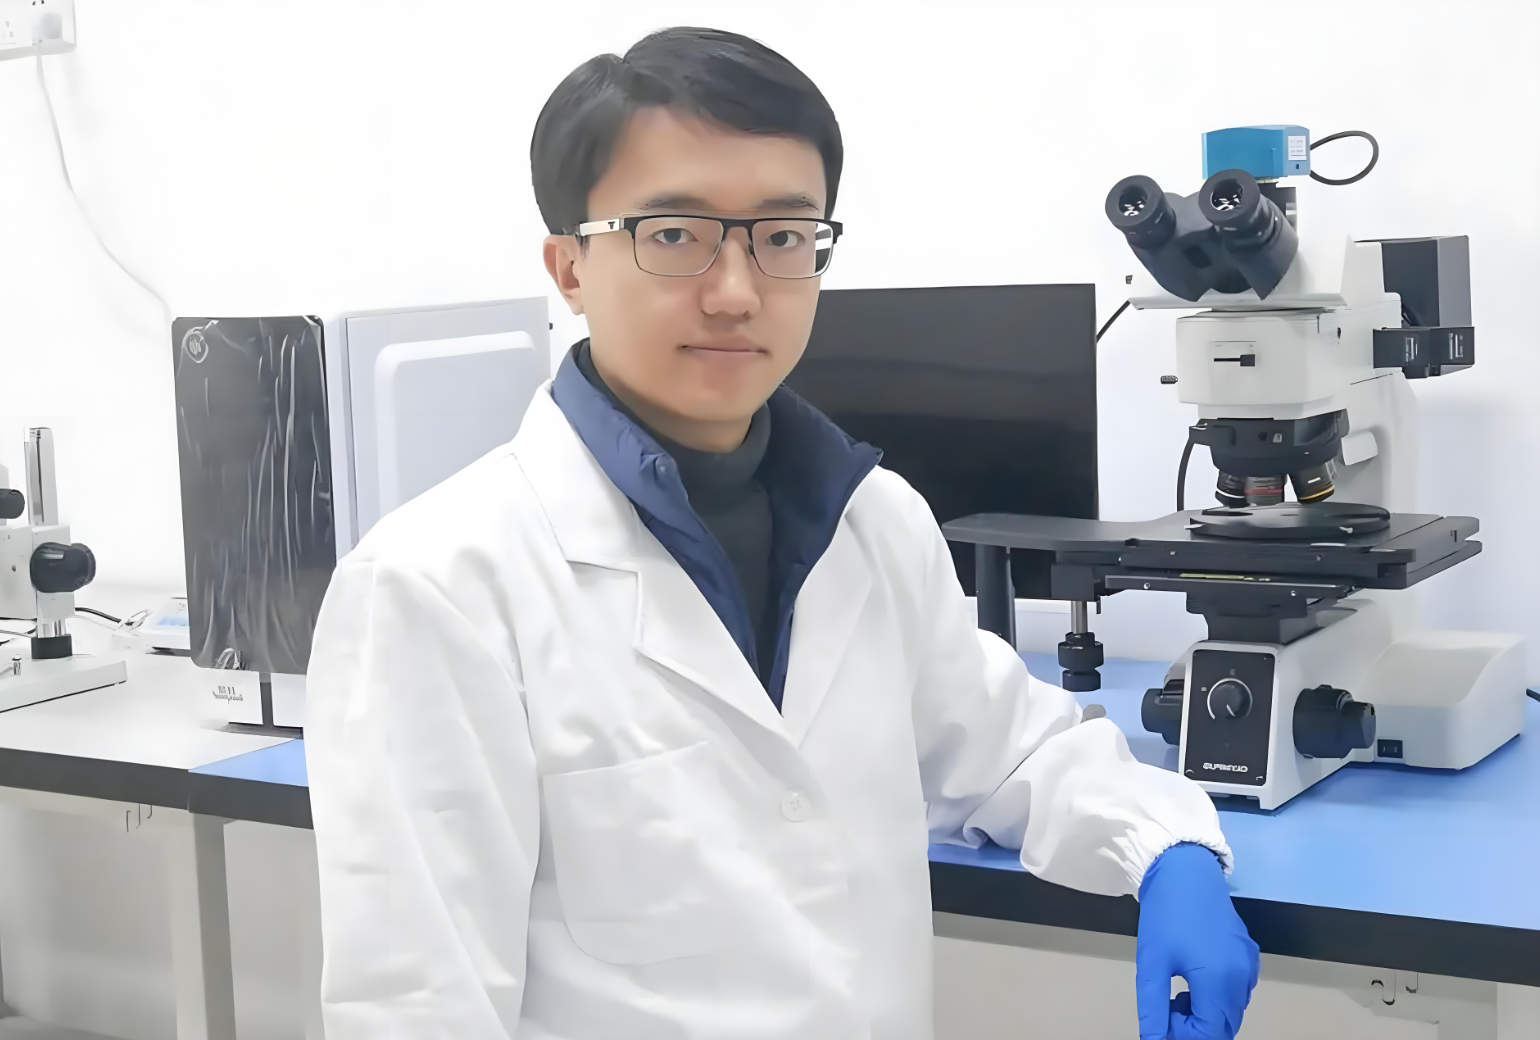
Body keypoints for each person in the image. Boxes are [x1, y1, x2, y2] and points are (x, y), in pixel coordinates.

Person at [305, 26, 1260, 1040]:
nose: (736, 290)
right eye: (675, 234)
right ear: (569, 267)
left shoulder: (872, 521)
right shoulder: (438, 587)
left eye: (784, 236)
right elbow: (417, 1008)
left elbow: (1005, 750)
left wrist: (1168, 852)